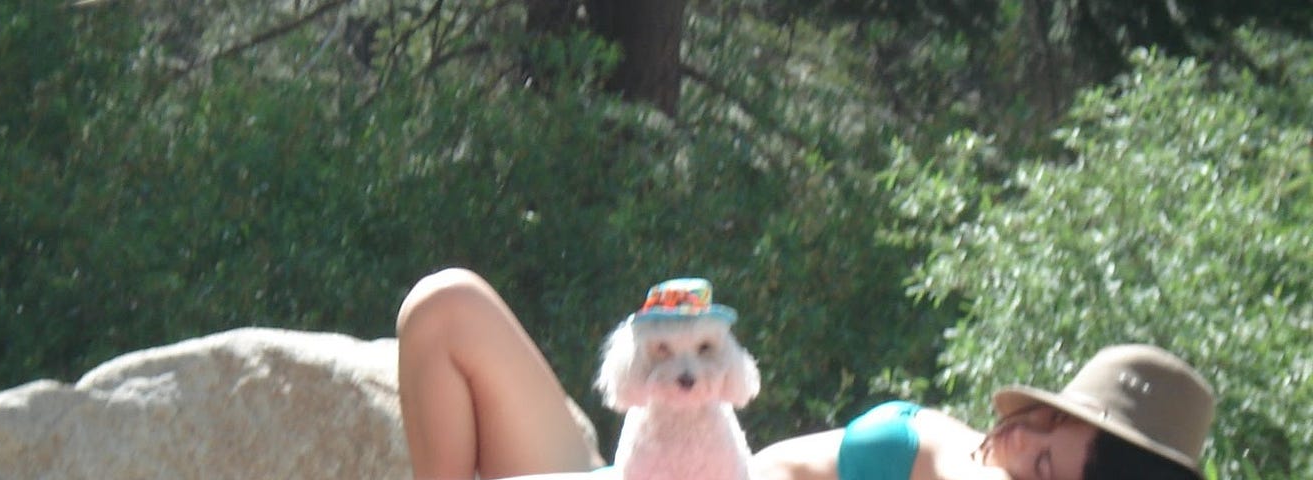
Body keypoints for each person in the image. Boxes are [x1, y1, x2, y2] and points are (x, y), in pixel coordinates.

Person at [396, 268, 1216, 480]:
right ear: (1051, 417)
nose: (1026, 461)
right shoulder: (951, 449)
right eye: (1044, 457)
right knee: (446, 308)